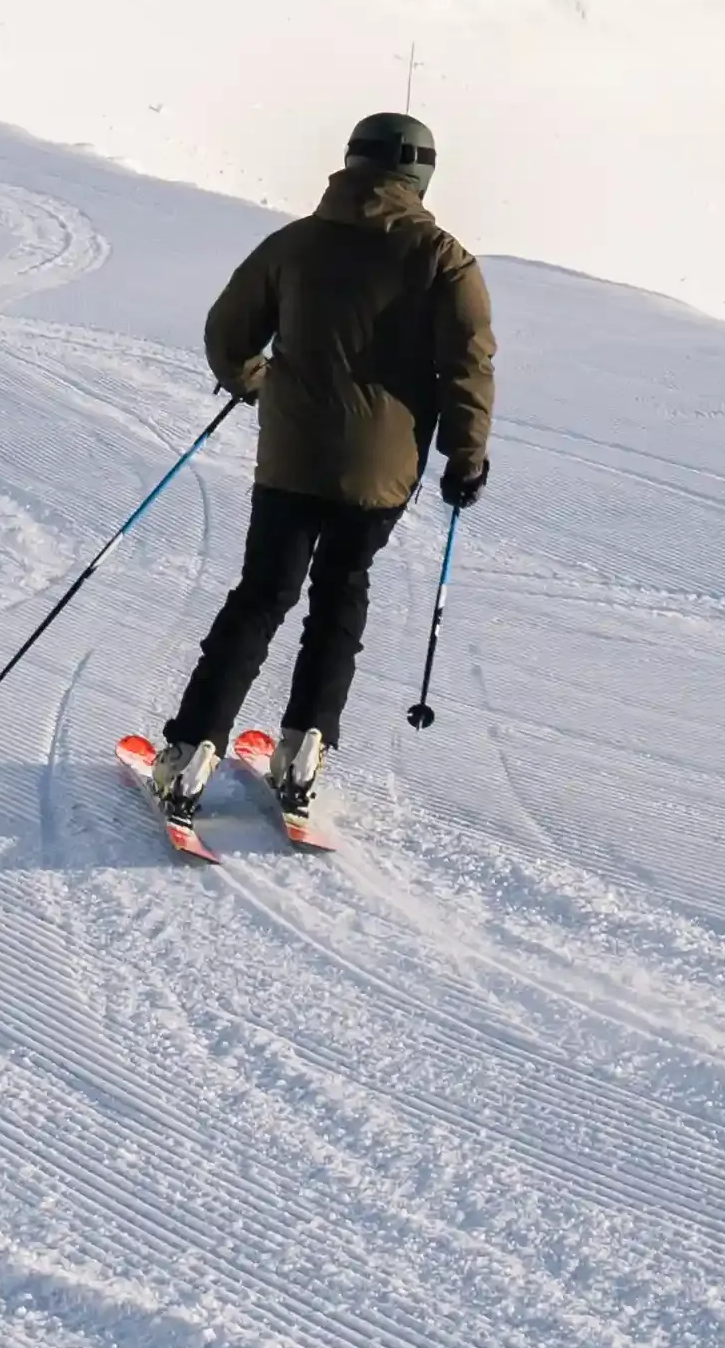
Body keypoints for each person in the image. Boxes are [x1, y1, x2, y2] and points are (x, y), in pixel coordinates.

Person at [150, 109, 495, 829]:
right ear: (422, 173)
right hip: (382, 471)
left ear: (349, 160)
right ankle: (302, 752)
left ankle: (188, 753)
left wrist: (252, 381)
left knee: (261, 595)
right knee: (341, 594)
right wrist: (464, 458)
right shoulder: (444, 258)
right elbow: (467, 365)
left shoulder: (294, 244)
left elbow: (227, 332)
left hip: (291, 458)